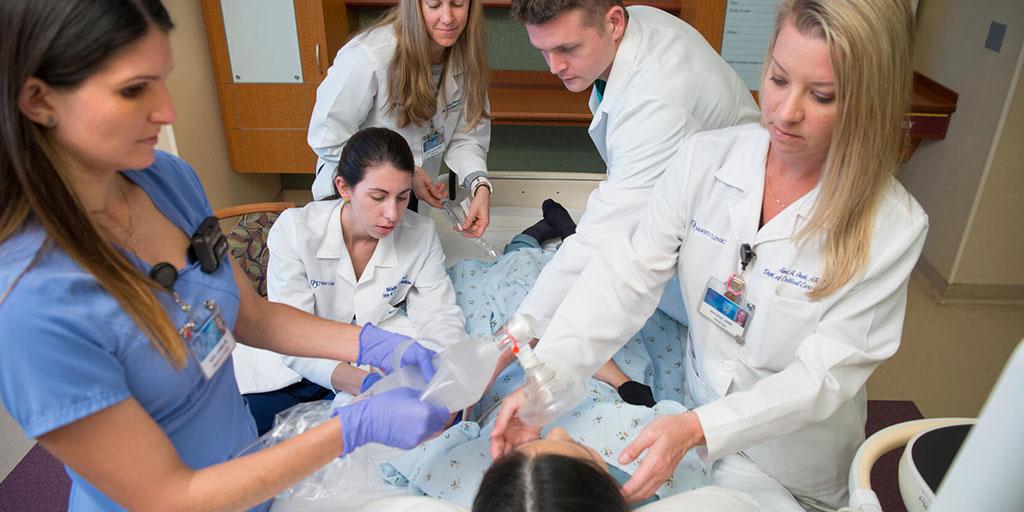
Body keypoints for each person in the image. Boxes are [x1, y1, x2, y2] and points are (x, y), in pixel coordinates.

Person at [0, 2, 449, 510]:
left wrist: (376, 345)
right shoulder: (30, 305)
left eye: (162, 81)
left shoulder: (165, 180)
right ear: (39, 100)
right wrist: (355, 425)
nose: (166, 111)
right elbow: (168, 495)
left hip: (249, 472)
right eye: (133, 89)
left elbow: (250, 315)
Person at [491, 0, 927, 508]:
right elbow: (626, 276)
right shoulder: (705, 160)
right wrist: (549, 382)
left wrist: (698, 428)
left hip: (792, 459)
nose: (785, 112)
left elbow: (821, 377)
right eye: (778, 79)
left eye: (822, 95)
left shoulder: (892, 227)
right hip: (699, 420)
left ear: (866, 102)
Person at [507, 0, 760, 339]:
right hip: (686, 209)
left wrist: (516, 334)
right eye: (543, 50)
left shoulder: (657, 100)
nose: (555, 67)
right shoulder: (635, 23)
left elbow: (602, 237)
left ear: (613, 22)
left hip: (727, 245)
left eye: (567, 48)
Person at [234, 127, 468, 433]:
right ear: (344, 188)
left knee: (447, 420)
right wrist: (367, 384)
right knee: (252, 440)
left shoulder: (419, 234)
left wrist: (440, 377)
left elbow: (441, 317)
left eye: (402, 197)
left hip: (373, 361)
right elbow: (289, 334)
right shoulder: (295, 231)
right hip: (293, 369)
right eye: (378, 197)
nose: (392, 214)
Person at [307, 0, 493, 238]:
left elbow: (465, 136)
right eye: (434, 4)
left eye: (457, 3)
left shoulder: (466, 59)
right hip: (357, 200)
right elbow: (327, 138)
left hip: (410, 200)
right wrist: (408, 172)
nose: (448, 18)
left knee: (406, 264)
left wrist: (480, 185)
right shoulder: (370, 56)